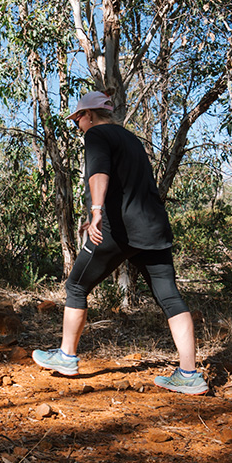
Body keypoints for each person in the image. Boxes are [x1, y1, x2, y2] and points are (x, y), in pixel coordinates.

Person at [31, 92, 206, 395]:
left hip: (121, 229)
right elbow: (128, 185)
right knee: (170, 297)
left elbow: (99, 173)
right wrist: (94, 214)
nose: (77, 126)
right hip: (153, 227)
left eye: (77, 119)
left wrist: (97, 212)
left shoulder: (97, 134)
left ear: (89, 115)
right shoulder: (131, 140)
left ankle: (67, 357)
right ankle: (189, 374)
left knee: (75, 286)